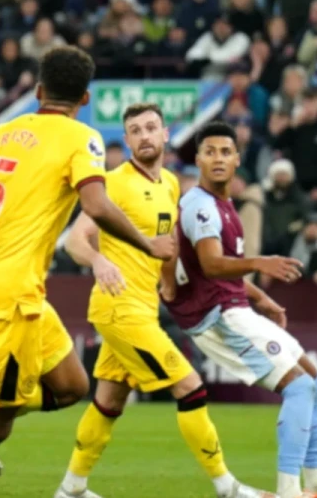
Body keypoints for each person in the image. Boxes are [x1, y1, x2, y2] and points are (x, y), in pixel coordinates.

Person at [0, 47, 176, 496]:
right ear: (85, 99)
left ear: (39, 90)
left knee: (70, 385)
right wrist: (147, 244)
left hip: (20, 294)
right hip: (7, 302)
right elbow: (96, 204)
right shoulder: (81, 138)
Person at [54, 103, 271, 498]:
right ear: (128, 139)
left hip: (142, 307)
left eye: (151, 127)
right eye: (135, 130)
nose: (144, 136)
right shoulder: (113, 183)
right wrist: (99, 261)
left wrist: (170, 285)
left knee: (109, 402)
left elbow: (169, 247)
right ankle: (228, 488)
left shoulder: (171, 184)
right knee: (191, 387)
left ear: (166, 134)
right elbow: (73, 240)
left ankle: (71, 489)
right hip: (118, 308)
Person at [166, 122, 317, 498]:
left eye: (226, 152)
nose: (218, 159)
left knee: (314, 379)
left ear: (238, 160)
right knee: (300, 387)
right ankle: (289, 492)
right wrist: (261, 262)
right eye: (209, 152)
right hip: (216, 317)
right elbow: (211, 264)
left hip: (234, 307)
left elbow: (219, 270)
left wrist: (260, 297)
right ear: (198, 160)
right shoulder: (200, 206)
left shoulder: (225, 206)